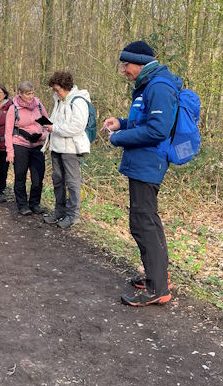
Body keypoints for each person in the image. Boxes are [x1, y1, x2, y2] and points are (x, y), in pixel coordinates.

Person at [104, 41, 178, 306]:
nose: (123, 70)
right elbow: (144, 122)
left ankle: (157, 287)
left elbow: (158, 130)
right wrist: (121, 123)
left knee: (143, 223)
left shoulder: (158, 86)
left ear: (140, 63)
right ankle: (157, 276)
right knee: (147, 221)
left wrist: (119, 137)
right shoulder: (149, 85)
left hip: (149, 163)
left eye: (126, 65)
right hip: (142, 162)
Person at [42, 71, 90, 229]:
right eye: (54, 90)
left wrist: (54, 128)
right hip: (56, 147)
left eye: (58, 89)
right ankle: (59, 211)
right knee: (57, 181)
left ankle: (72, 215)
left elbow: (77, 126)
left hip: (70, 148)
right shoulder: (58, 100)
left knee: (72, 182)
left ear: (66, 87)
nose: (56, 93)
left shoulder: (78, 101)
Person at [5, 81, 49, 214]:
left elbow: (47, 124)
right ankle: (22, 205)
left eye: (32, 93)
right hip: (20, 145)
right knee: (20, 176)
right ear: (20, 94)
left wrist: (43, 135)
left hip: (37, 146)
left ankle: (35, 203)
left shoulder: (38, 106)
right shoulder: (14, 108)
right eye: (27, 94)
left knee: (38, 178)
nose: (30, 96)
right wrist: (9, 151)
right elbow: (8, 131)